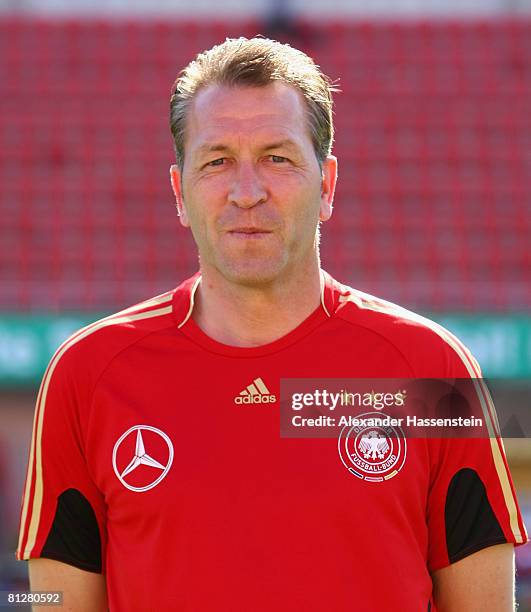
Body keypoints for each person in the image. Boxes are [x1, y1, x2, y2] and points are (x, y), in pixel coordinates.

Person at [17, 37, 527, 611]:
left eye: (277, 158)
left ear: (327, 185)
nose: (247, 192)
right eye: (216, 162)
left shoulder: (434, 371)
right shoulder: (86, 377)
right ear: (179, 193)